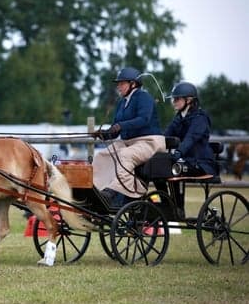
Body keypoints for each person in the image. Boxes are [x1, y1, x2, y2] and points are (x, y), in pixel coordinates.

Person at [92, 67, 166, 207]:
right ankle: (96, 189)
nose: (118, 87)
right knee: (103, 154)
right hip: (128, 142)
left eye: (122, 83)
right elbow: (115, 130)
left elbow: (144, 119)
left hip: (149, 141)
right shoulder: (121, 103)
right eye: (118, 84)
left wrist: (121, 126)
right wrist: (104, 134)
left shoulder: (144, 97)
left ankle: (116, 191)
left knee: (125, 155)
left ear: (133, 84)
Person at [156, 81, 217, 216]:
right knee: (155, 168)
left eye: (177, 99)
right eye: (173, 99)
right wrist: (153, 146)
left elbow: (191, 138)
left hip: (201, 163)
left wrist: (179, 152)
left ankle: (177, 208)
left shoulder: (200, 118)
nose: (174, 102)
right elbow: (166, 135)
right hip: (184, 161)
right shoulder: (179, 117)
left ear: (189, 100)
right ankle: (168, 206)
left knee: (174, 167)